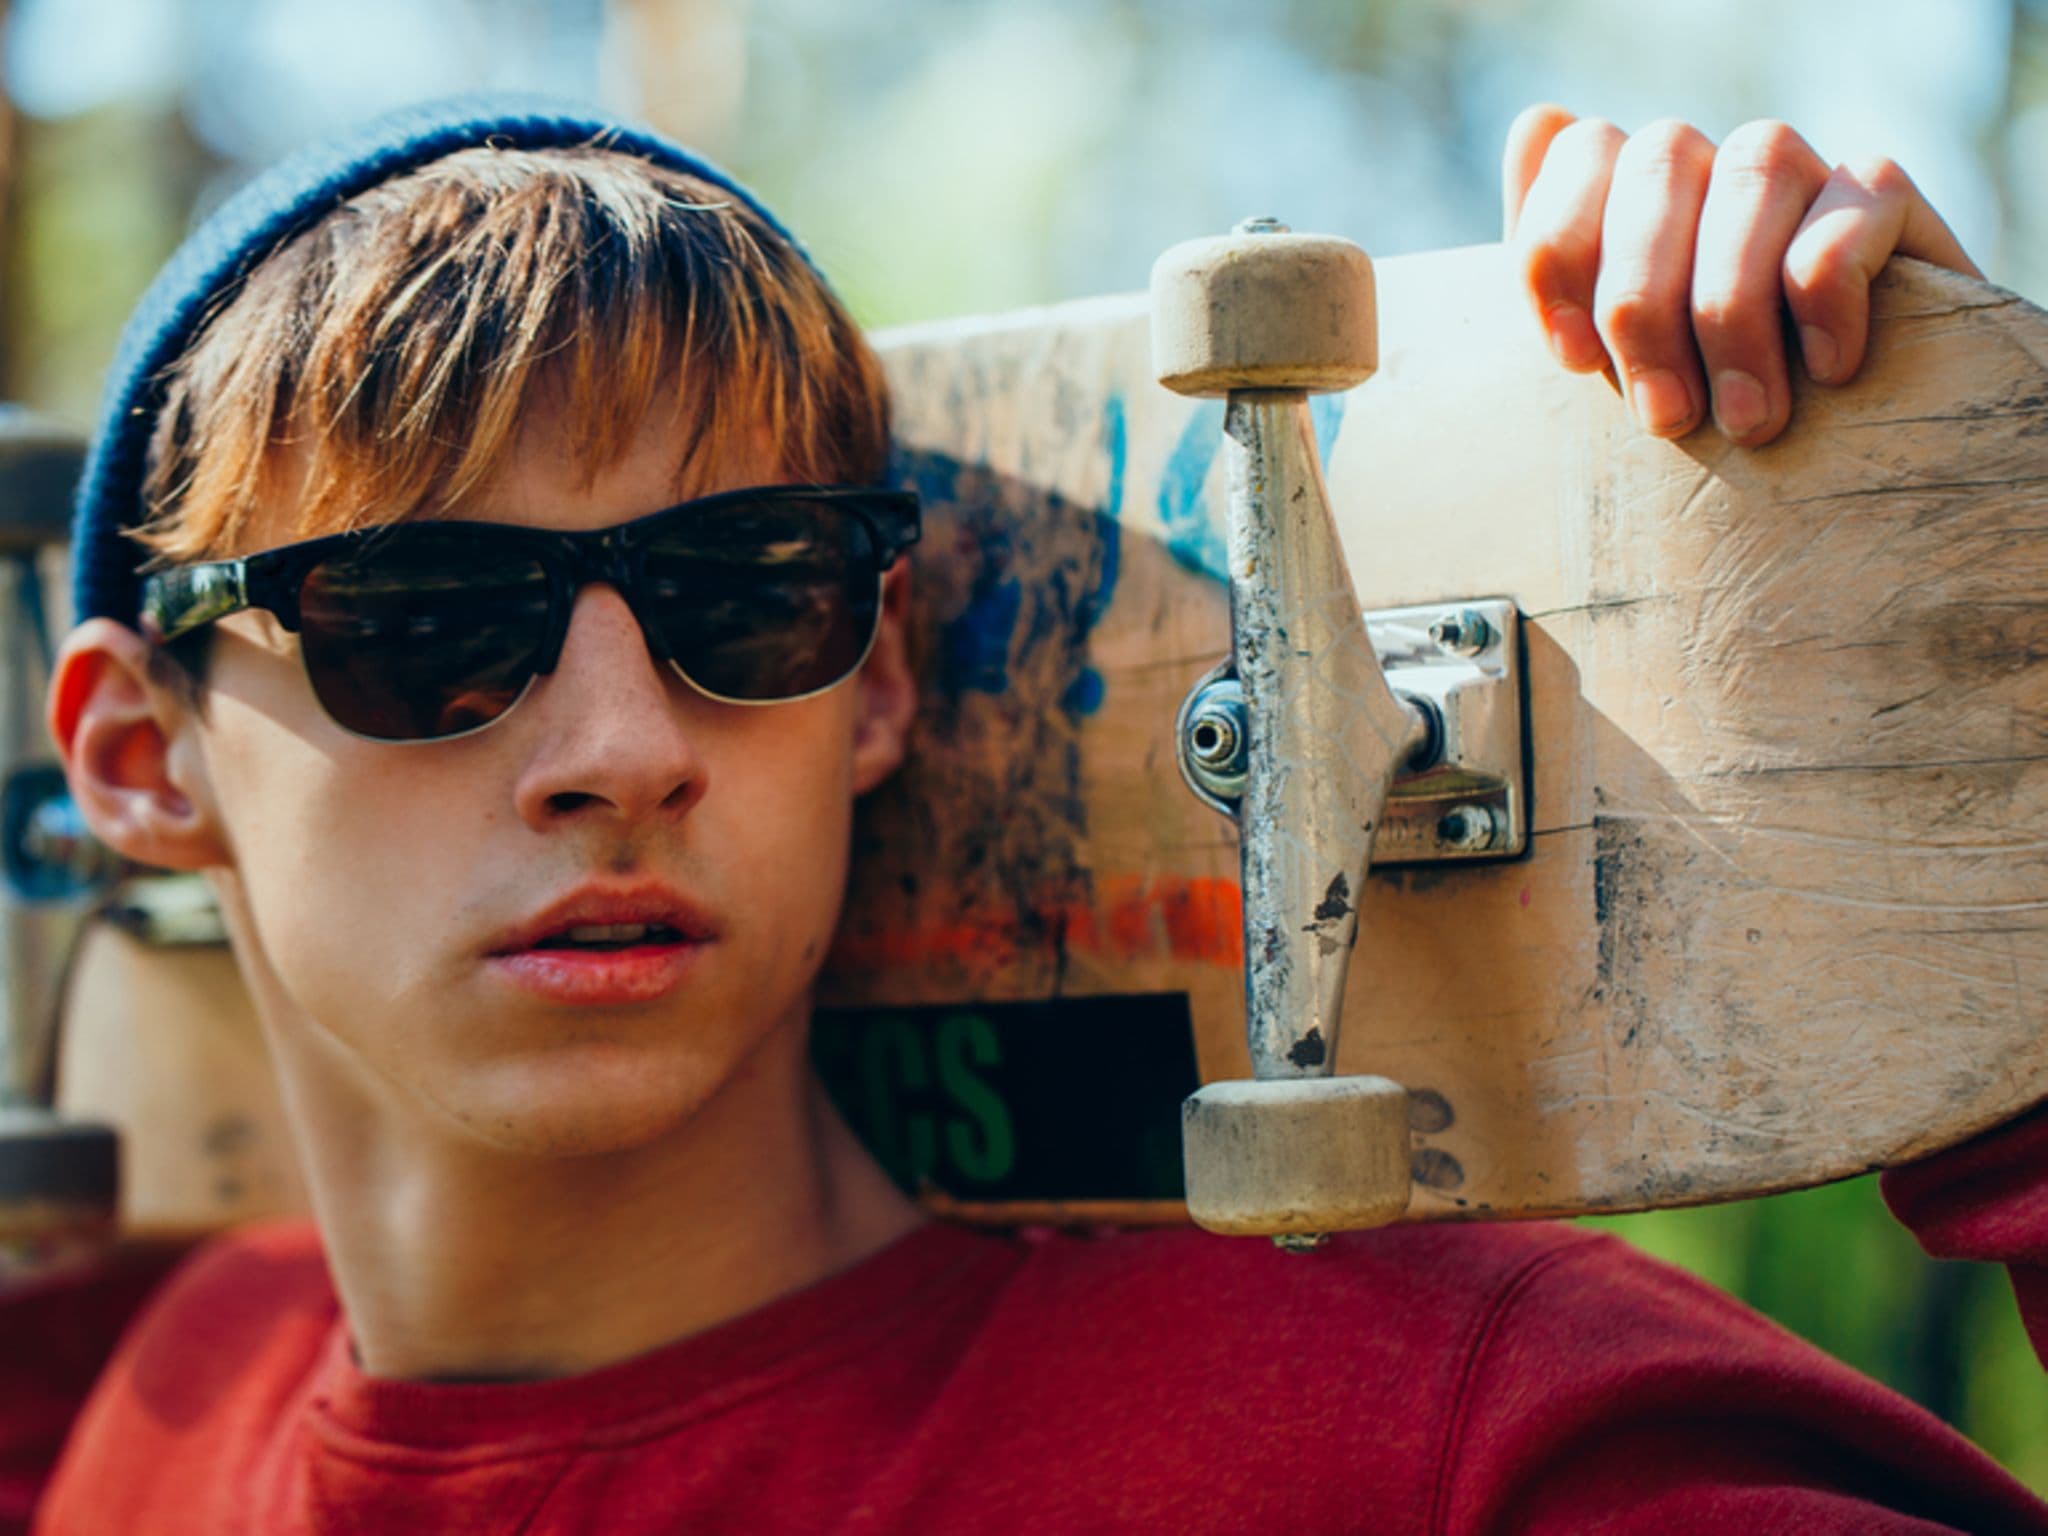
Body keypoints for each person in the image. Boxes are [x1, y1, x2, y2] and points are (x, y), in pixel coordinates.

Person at [1, 92, 2041, 1533]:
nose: (620, 742)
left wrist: (1991, 720)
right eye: (427, 622)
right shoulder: (140, 1410)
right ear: (134, 757)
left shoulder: (1436, 1442)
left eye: (752, 591)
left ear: (874, 681)